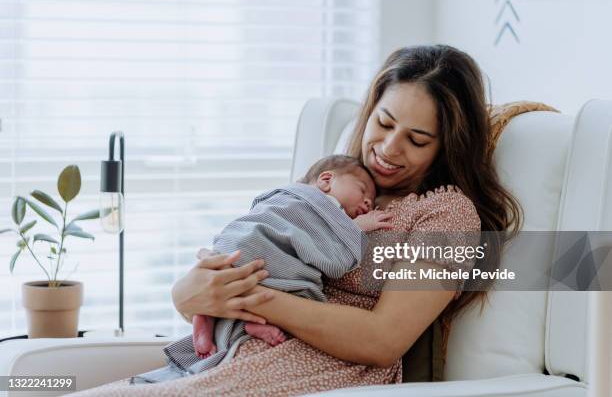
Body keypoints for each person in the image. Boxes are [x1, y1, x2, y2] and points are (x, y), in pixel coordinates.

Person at [72, 45, 522, 397]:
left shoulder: (447, 216)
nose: (388, 148)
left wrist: (252, 297)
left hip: (323, 369)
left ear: (447, 147)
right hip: (237, 350)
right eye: (383, 123)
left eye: (417, 140)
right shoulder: (337, 183)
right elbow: (255, 250)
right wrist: (187, 293)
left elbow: (381, 340)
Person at [186, 155, 391, 366]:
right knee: (303, 298)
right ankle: (247, 322)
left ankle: (209, 318)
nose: (368, 201)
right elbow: (334, 263)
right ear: (326, 180)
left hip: (233, 246)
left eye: (372, 201)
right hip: (262, 252)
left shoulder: (280, 196)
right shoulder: (322, 207)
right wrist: (356, 229)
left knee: (231, 283)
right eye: (362, 190)